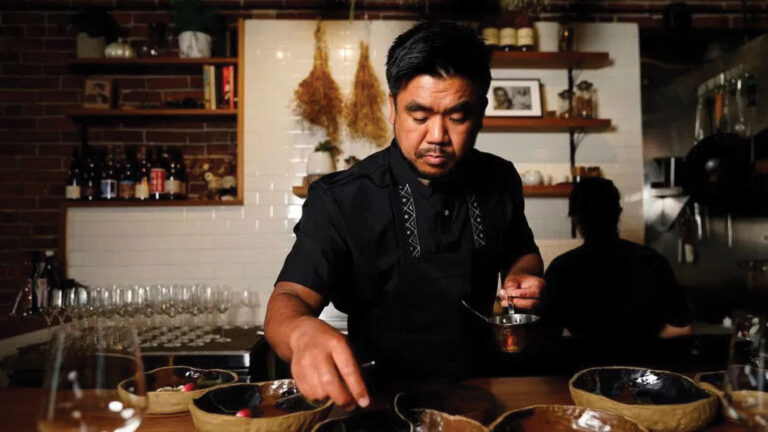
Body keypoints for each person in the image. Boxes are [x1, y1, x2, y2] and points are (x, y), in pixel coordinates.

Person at [264, 22, 544, 411]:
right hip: (378, 401)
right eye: (419, 115)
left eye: (457, 117)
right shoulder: (341, 198)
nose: (437, 136)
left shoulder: (499, 179)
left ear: (480, 112)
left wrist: (525, 277)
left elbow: (523, 252)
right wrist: (300, 334)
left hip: (482, 393)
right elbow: (289, 297)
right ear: (392, 107)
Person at [542, 177, 693, 365]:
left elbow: (546, 334)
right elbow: (683, 328)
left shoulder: (561, 269)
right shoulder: (652, 260)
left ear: (575, 218)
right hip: (645, 371)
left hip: (586, 373)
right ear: (618, 212)